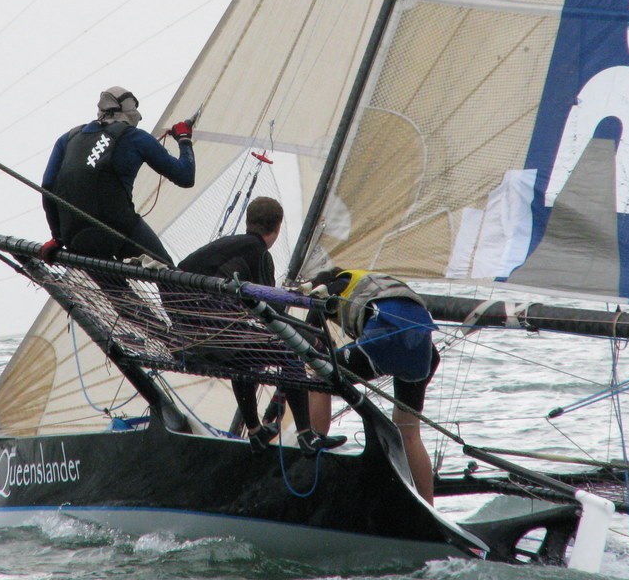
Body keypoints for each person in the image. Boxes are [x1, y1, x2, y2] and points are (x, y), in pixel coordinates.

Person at [177, 197, 345, 455]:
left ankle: (255, 432)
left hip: (184, 334)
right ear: (278, 227)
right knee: (291, 351)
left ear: (248, 221)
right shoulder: (258, 253)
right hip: (212, 336)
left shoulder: (228, 245)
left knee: (246, 358)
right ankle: (307, 436)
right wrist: (313, 340)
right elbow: (274, 316)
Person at [307, 268, 440, 503]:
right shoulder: (370, 283)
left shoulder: (331, 289)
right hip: (423, 350)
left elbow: (308, 341)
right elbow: (431, 354)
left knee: (320, 373)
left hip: (387, 336)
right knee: (408, 432)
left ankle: (314, 447)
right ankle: (428, 507)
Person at [40, 86, 195, 264]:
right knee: (169, 278)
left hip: (76, 239)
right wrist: (184, 139)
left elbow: (48, 188)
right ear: (129, 112)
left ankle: (119, 293)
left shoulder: (67, 139)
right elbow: (185, 176)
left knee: (115, 290)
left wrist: (57, 237)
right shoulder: (134, 137)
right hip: (120, 229)